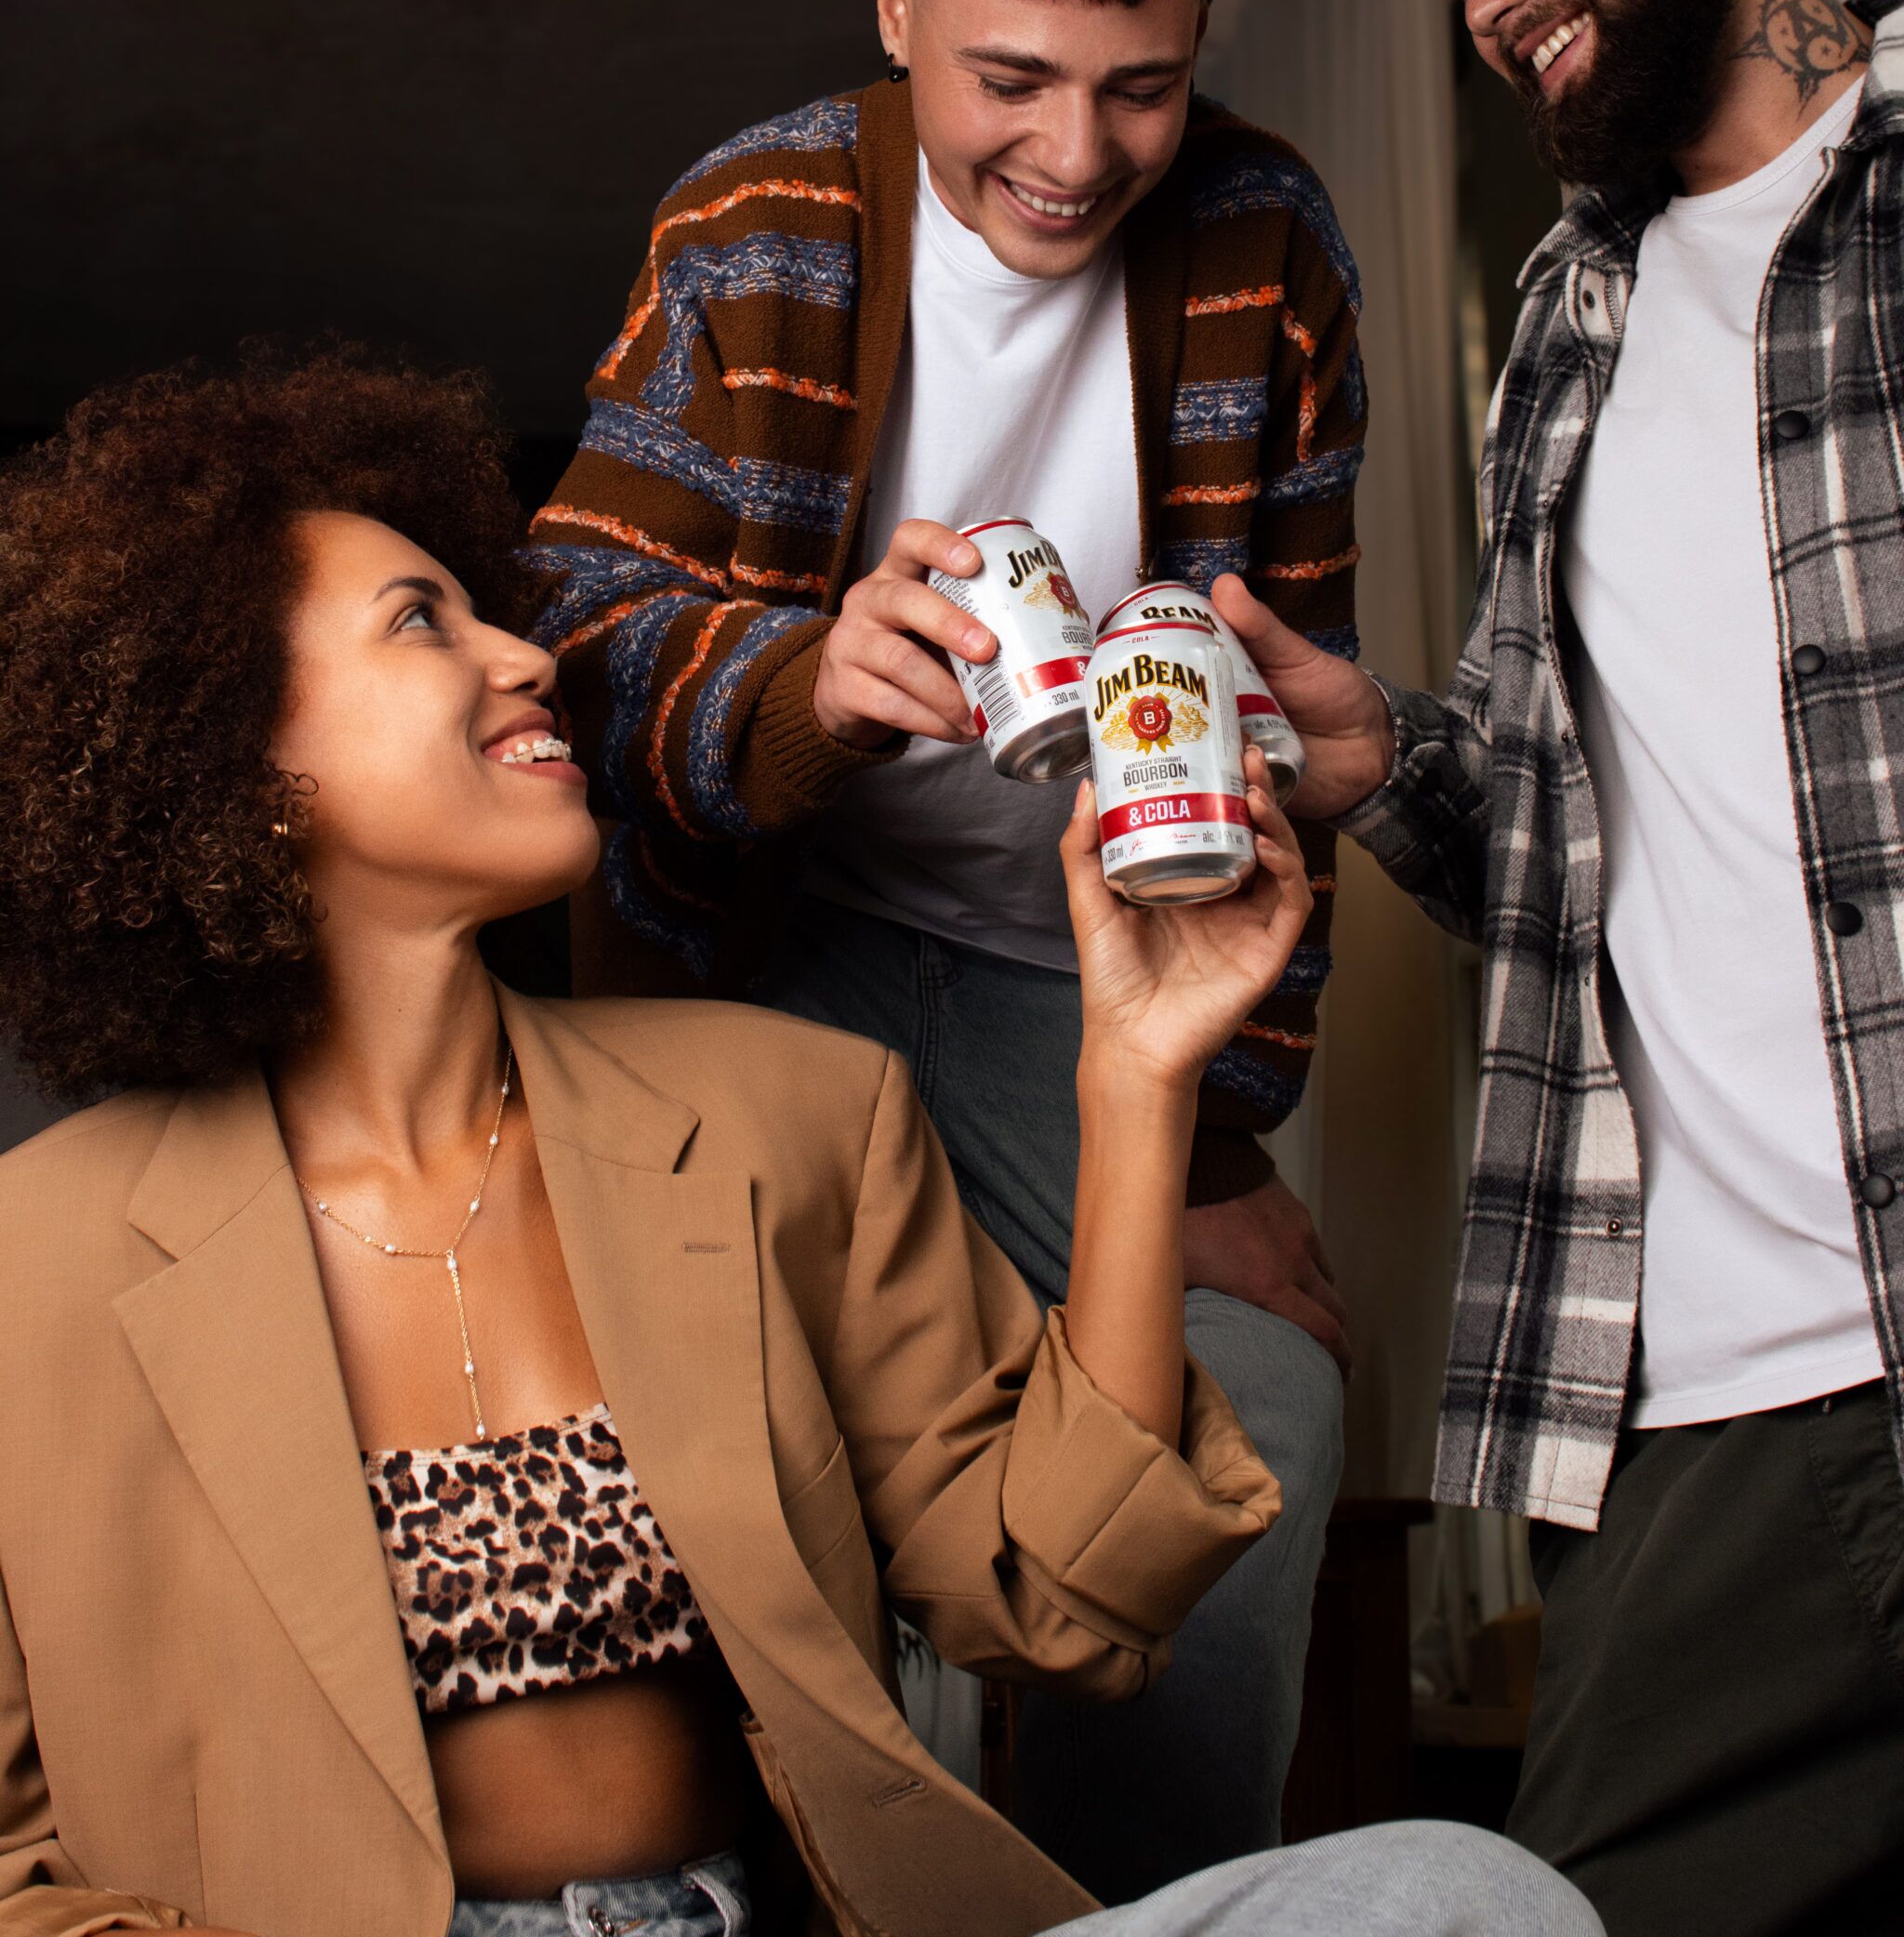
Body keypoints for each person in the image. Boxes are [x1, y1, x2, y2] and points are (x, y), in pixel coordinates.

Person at [0, 350, 1600, 1937]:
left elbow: (1068, 1596)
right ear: (242, 762)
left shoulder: (785, 1116)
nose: (529, 656)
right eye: (423, 622)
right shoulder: (34, 1265)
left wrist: (1136, 1073)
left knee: (1468, 1895)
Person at [531, 0, 1363, 1898]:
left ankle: (1145, 1913)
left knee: (1258, 1399)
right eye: (1012, 81)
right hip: (765, 960)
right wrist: (806, 683)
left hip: (1069, 973)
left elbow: (1290, 686)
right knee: (785, 1455)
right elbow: (576, 639)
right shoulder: (753, 224)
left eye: (1141, 87)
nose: (1074, 156)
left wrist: (1212, 1133)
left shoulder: (1267, 243)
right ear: (898, 6)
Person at [1214, 0, 1904, 1937]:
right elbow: (1585, 826)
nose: (1485, 2)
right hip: (1705, 1406)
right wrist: (1379, 754)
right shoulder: (1565, 323)